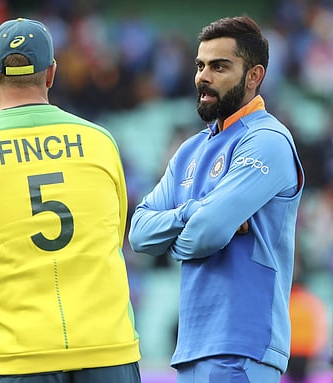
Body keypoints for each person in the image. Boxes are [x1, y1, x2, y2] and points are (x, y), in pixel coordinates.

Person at [0, 17, 141, 383]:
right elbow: (114, 232)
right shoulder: (100, 141)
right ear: (51, 74)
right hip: (109, 348)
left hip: (20, 356)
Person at [128, 16, 304, 383]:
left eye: (219, 66)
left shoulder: (267, 140)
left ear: (254, 76)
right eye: (200, 65)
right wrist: (195, 212)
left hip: (243, 345)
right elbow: (140, 234)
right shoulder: (190, 149)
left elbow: (205, 235)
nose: (203, 77)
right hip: (193, 346)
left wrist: (183, 232)